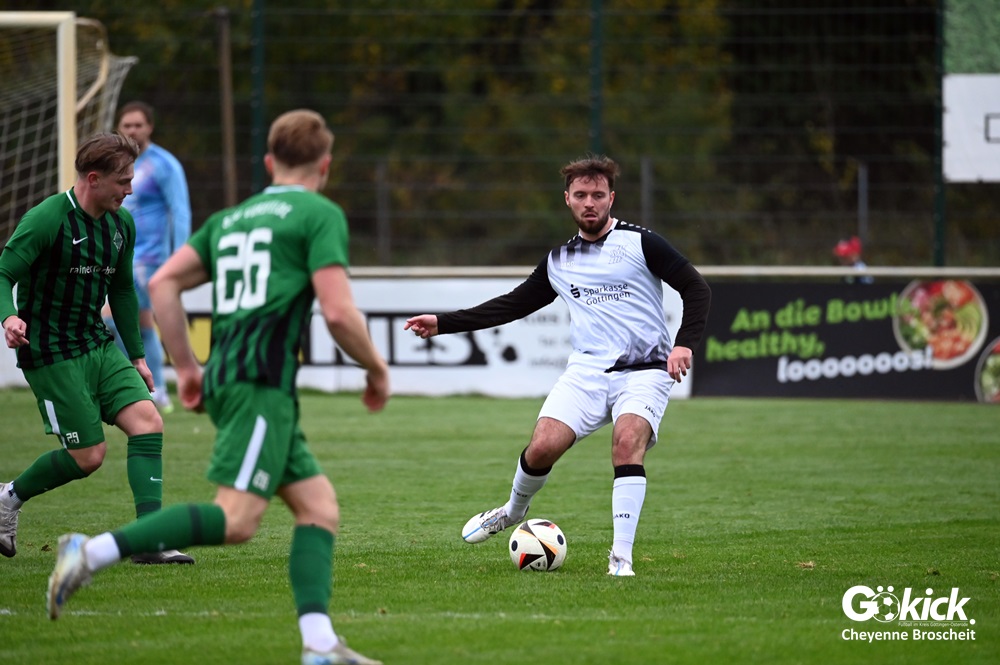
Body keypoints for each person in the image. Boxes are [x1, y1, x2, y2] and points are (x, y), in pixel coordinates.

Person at [47, 110, 391, 665]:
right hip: (258, 384)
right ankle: (91, 552)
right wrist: (375, 369)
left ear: (269, 163)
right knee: (236, 520)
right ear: (325, 165)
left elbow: (164, 283)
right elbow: (337, 311)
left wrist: (186, 367)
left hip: (238, 379)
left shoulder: (233, 218)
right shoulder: (318, 214)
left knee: (318, 508)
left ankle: (320, 645)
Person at [405, 155, 712, 577]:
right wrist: (443, 323)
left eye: (598, 195)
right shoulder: (559, 260)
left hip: (645, 369)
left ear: (611, 198)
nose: (590, 203)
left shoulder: (641, 243)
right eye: (581, 195)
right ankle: (513, 511)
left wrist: (684, 344)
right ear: (567, 199)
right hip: (587, 373)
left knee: (627, 442)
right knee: (542, 446)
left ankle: (621, 559)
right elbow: (512, 305)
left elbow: (696, 287)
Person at [0, 133, 194, 565]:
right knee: (88, 456)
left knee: (148, 422)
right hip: (50, 351)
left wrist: (138, 356)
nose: (130, 190)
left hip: (95, 342)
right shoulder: (47, 219)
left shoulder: (121, 225)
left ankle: (148, 540)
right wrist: (9, 317)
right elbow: (3, 273)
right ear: (93, 178)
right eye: (123, 181)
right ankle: (8, 498)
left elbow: (122, 290)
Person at [102, 101, 192, 413]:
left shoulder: (164, 165)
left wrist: (179, 256)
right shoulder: (114, 164)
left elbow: (180, 210)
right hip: (118, 255)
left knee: (111, 320)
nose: (132, 130)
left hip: (149, 259)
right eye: (127, 125)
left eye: (138, 125)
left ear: (150, 127)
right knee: (142, 324)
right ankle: (157, 390)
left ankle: (129, 386)